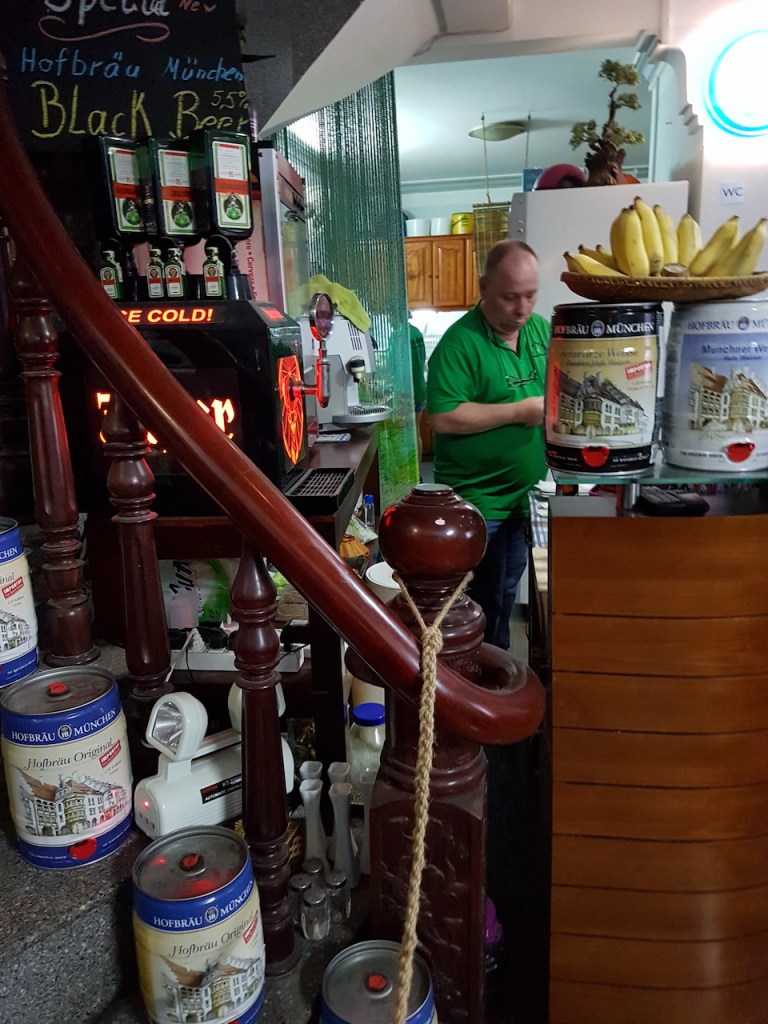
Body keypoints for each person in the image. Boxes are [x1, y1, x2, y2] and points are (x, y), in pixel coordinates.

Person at [426, 240, 548, 649]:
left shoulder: (539, 330)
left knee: (508, 590)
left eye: (530, 295)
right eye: (509, 297)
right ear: (483, 288)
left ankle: (496, 667)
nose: (521, 309)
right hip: (477, 501)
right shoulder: (459, 343)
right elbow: (443, 417)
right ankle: (479, 677)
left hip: (525, 496)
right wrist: (518, 411)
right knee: (482, 603)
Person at [408, 314, 427, 467]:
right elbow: (423, 357)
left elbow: (393, 365)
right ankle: (417, 472)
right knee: (416, 432)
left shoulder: (399, 335)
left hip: (405, 391)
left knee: (405, 435)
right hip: (419, 388)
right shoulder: (417, 332)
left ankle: (408, 473)